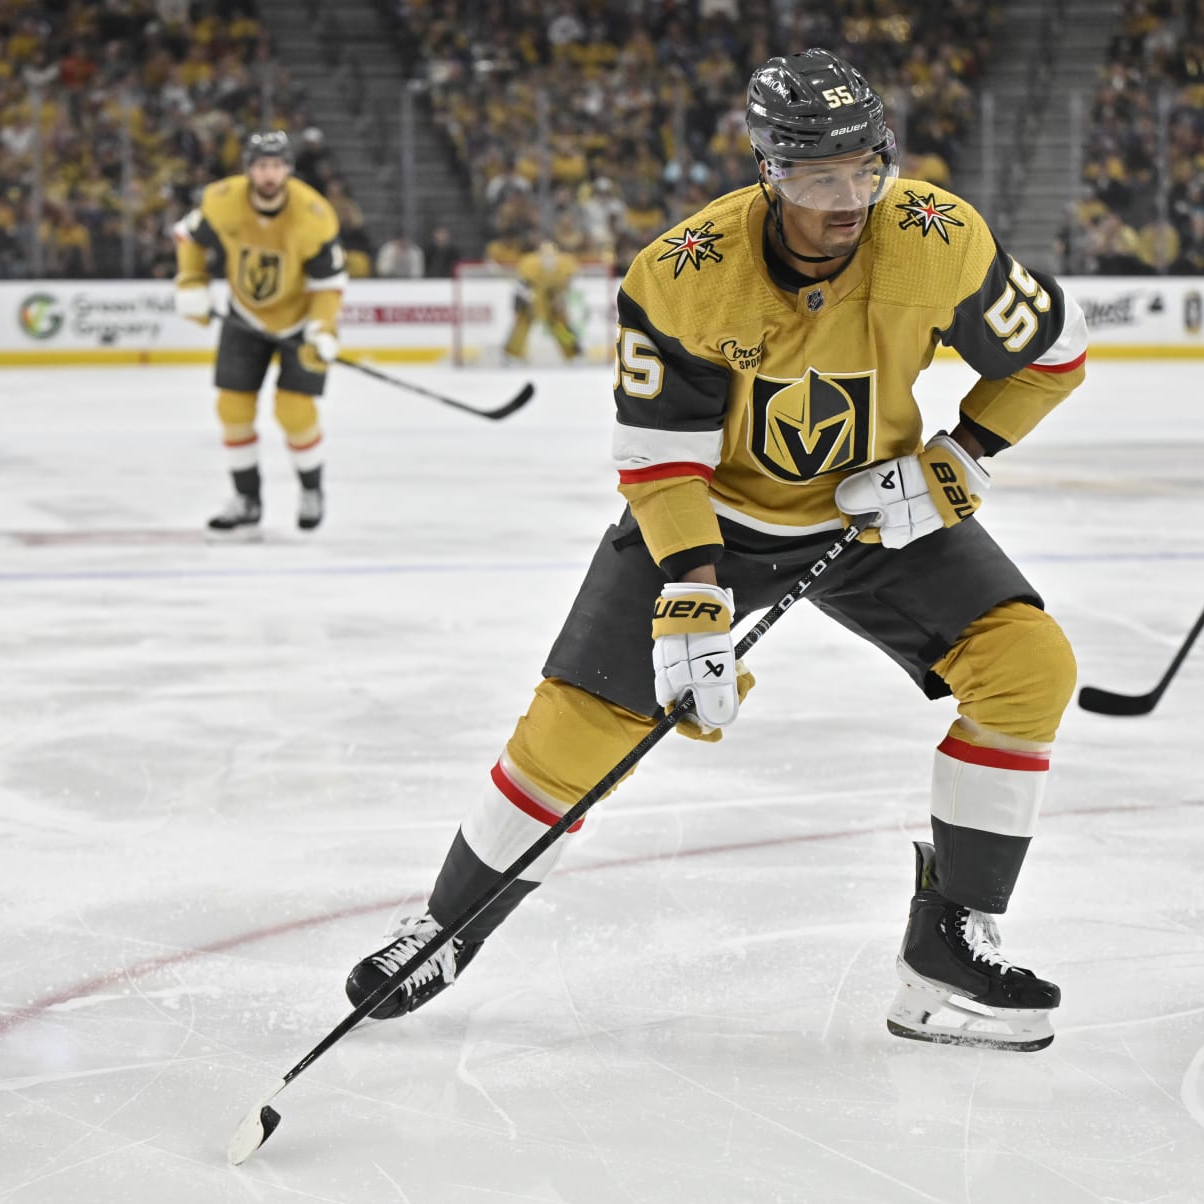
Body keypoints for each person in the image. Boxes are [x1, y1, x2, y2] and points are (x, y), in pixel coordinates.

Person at [343, 48, 1090, 1051]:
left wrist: (962, 455)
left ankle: (947, 950)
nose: (848, 200)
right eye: (819, 178)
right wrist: (693, 596)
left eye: (866, 169)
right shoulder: (684, 274)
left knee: (1028, 665)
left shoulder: (935, 236)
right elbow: (660, 461)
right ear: (768, 171)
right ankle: (445, 927)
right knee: (577, 730)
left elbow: (1053, 355)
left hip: (871, 511)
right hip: (714, 519)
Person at [173, 130, 346, 533]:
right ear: (249, 169)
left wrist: (323, 329)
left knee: (294, 411)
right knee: (232, 409)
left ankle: (311, 490)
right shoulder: (222, 200)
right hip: (245, 316)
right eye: (262, 166)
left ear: (289, 169)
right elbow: (188, 236)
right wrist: (191, 281)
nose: (270, 175)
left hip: (299, 321)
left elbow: (329, 283)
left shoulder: (314, 215)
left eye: (277, 166)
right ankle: (246, 499)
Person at [501, 239, 582, 363]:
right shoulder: (530, 263)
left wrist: (561, 297)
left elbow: (571, 282)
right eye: (545, 257)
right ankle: (511, 354)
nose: (548, 260)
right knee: (521, 326)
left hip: (552, 299)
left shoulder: (564, 264)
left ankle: (573, 354)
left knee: (562, 327)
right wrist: (527, 296)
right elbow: (521, 283)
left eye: (551, 257)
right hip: (534, 299)